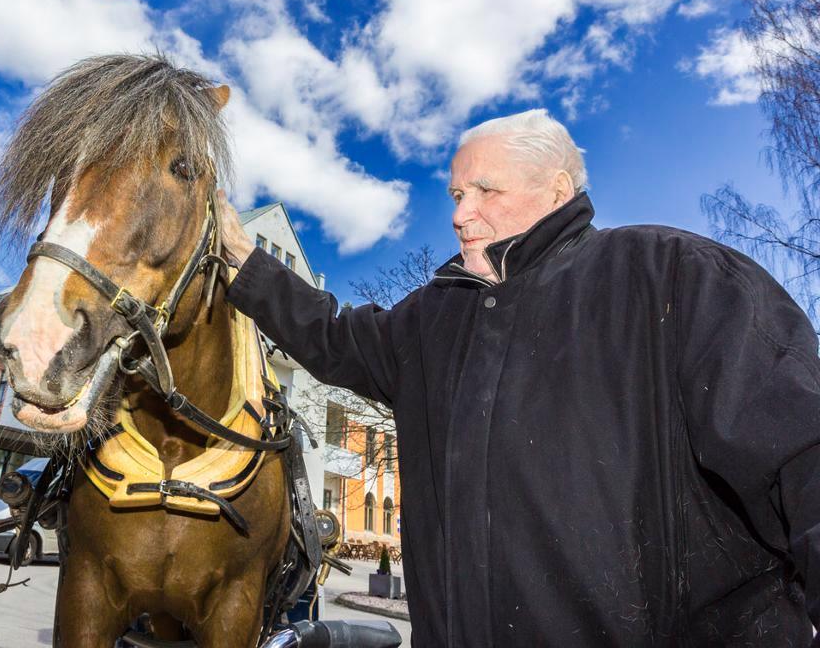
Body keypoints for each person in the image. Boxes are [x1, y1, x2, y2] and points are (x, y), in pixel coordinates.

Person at [217, 109, 820, 646]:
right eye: (455, 193)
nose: (460, 213)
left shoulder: (671, 275)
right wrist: (243, 259)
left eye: (485, 189)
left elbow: (802, 457)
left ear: (557, 190)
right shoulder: (432, 318)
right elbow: (332, 335)